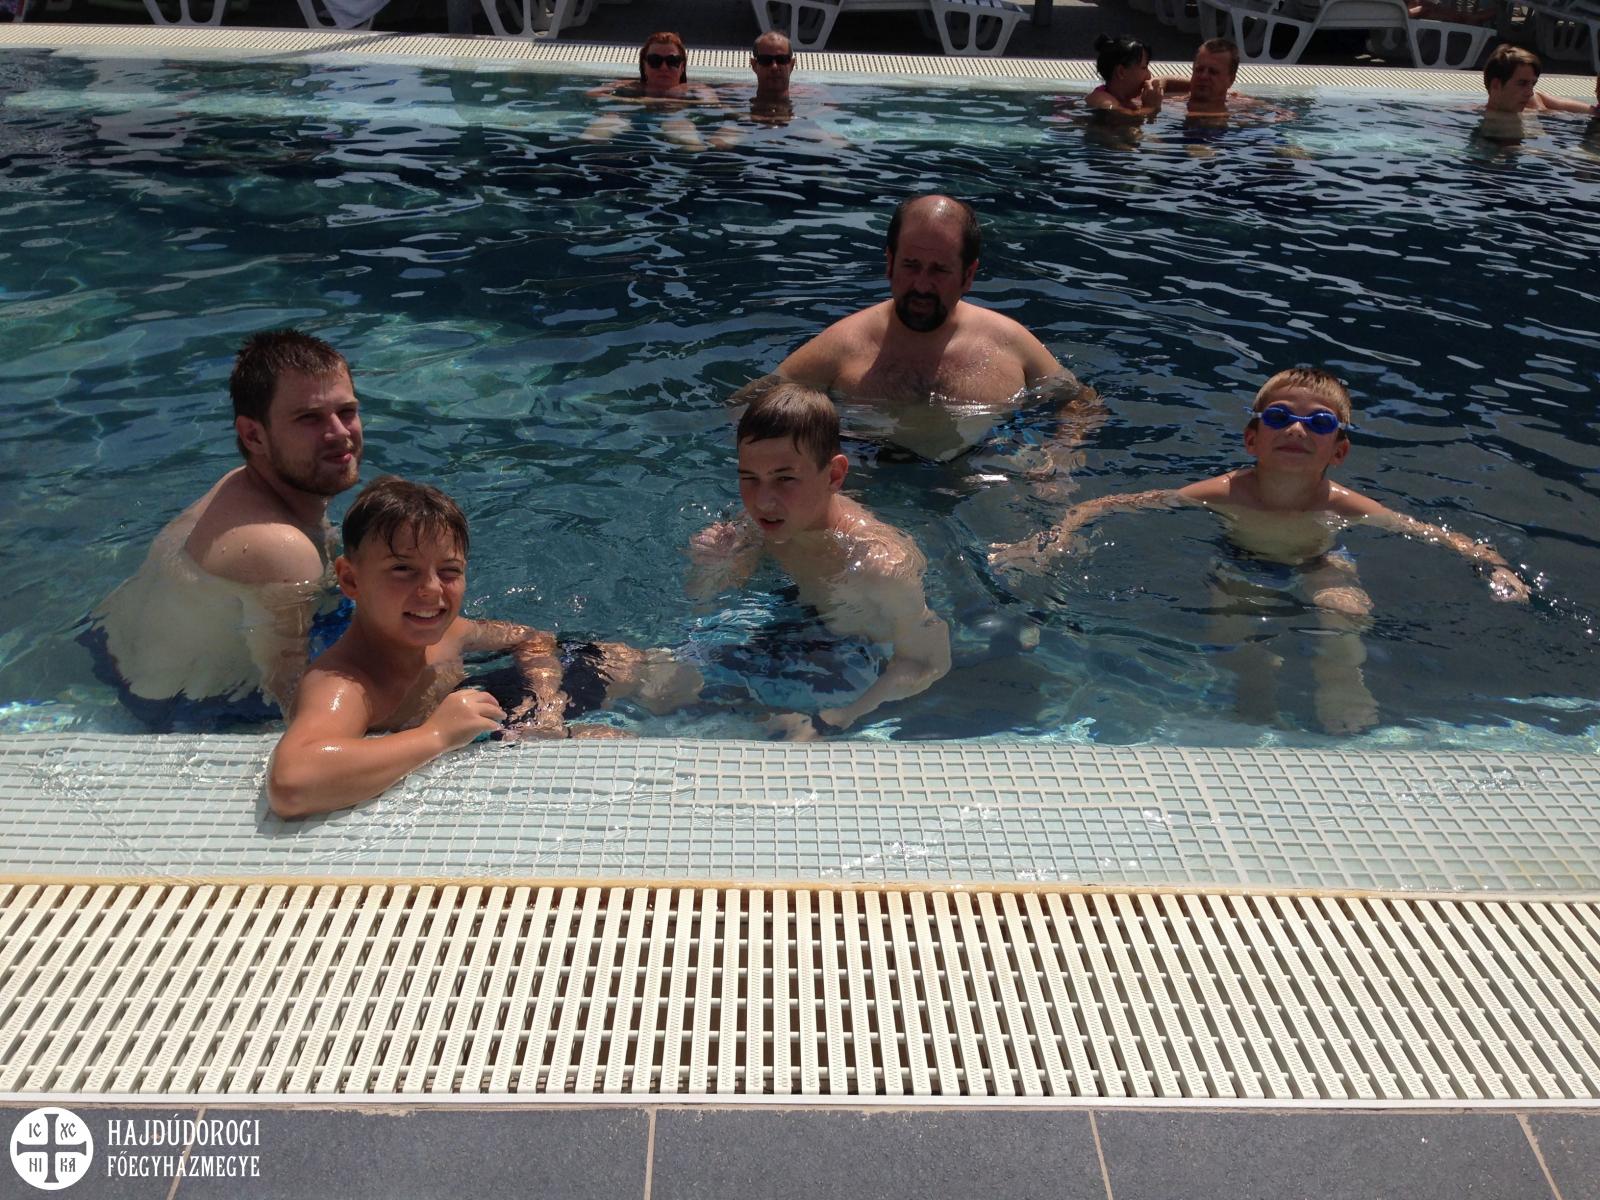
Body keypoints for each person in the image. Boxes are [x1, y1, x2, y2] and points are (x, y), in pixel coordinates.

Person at [991, 368, 1530, 733]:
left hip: (1319, 560)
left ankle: (1342, 681)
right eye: (1278, 417)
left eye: (1319, 422)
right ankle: (1254, 685)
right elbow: (1115, 504)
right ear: (1252, 439)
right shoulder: (1226, 492)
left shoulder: (1342, 504)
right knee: (1235, 634)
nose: (1296, 428)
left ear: (1339, 450)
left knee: (1347, 610)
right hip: (1238, 559)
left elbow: (1436, 534)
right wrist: (1053, 537)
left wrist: (1495, 566)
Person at [268, 477, 702, 817]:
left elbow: (532, 638)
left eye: (449, 571)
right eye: (403, 570)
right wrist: (435, 736)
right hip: (455, 727)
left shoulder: (449, 631)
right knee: (615, 746)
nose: (431, 590)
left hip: (493, 705)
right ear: (350, 579)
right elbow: (292, 782)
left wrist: (545, 701)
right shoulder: (345, 684)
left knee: (631, 662)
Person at [85, 330, 363, 730]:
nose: (339, 433)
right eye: (309, 418)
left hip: (111, 647)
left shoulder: (240, 484)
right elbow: (292, 697)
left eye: (347, 411)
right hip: (182, 705)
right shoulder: (280, 548)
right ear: (253, 435)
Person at [686, 383, 951, 740]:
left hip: (852, 660)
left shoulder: (880, 565)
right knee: (642, 677)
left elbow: (927, 662)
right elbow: (704, 603)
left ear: (834, 475)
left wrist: (835, 719)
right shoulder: (760, 524)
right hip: (787, 624)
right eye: (749, 478)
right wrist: (713, 565)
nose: (762, 501)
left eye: (785, 479)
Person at [749, 193, 1096, 466]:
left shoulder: (1010, 342)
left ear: (968, 275)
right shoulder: (843, 345)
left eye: (939, 270)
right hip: (870, 477)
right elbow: (747, 407)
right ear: (889, 263)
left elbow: (1080, 401)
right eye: (911, 266)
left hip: (984, 473)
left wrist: (1062, 455)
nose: (922, 286)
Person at [584, 31, 716, 147]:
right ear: (644, 64)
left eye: (672, 61)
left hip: (677, 118)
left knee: (687, 139)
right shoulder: (630, 85)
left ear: (682, 66)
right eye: (655, 60)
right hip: (633, 117)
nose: (663, 67)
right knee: (605, 123)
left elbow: (712, 103)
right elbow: (592, 93)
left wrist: (655, 101)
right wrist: (635, 101)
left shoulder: (696, 88)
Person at [1483, 46, 1598, 115]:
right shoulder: (1488, 121)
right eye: (1522, 83)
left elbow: (1593, 111)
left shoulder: (1532, 101)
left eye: (1533, 84)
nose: (1530, 92)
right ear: (1496, 85)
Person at [1157, 38, 1244, 118]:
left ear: (1231, 80)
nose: (1203, 76)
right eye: (1199, 69)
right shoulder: (1167, 104)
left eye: (1213, 72)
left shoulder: (1242, 109)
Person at [1086, 35, 1163, 120]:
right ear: (1121, 72)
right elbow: (1128, 119)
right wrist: (1151, 107)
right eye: (1144, 68)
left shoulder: (1127, 100)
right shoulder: (1101, 100)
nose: (1149, 75)